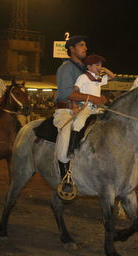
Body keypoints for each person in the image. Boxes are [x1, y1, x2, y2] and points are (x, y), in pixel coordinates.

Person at [54, 36, 107, 178]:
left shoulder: (88, 69)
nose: (85, 48)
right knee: (66, 132)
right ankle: (65, 175)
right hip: (66, 110)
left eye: (85, 45)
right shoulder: (65, 68)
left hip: (88, 109)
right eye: (82, 45)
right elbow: (66, 92)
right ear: (72, 49)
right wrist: (94, 98)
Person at [71, 54, 115, 150]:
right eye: (97, 65)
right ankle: (72, 147)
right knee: (80, 122)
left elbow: (112, 76)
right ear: (89, 66)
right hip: (85, 107)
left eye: (100, 65)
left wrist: (105, 69)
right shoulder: (83, 77)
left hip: (97, 108)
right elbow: (74, 91)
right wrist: (75, 106)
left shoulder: (98, 78)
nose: (99, 67)